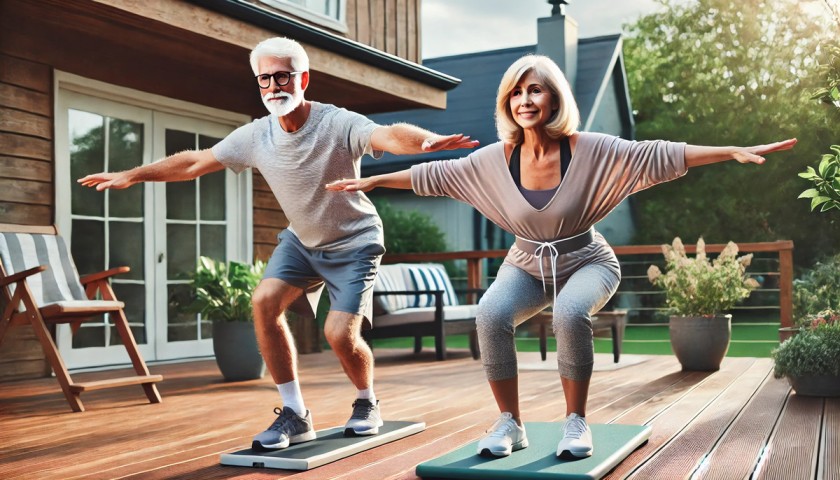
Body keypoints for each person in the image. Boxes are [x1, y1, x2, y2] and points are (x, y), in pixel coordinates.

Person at [326, 54, 796, 460]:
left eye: (536, 91)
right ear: (507, 103)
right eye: (516, 93)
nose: (525, 100)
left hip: (588, 259)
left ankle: (576, 422)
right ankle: (509, 422)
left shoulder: (587, 149)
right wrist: (374, 181)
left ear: (553, 100)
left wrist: (732, 150)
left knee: (570, 313)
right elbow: (436, 175)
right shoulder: (495, 159)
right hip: (526, 265)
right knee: (490, 314)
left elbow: (656, 154)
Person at [78, 37, 478, 451]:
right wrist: (134, 174)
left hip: (355, 241)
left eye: (282, 76)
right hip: (302, 241)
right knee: (264, 301)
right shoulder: (255, 136)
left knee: (339, 334)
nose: (273, 86)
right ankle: (295, 414)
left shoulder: (337, 122)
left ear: (303, 78)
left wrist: (425, 143)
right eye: (264, 79)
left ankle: (366, 402)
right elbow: (196, 162)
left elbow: (387, 135)